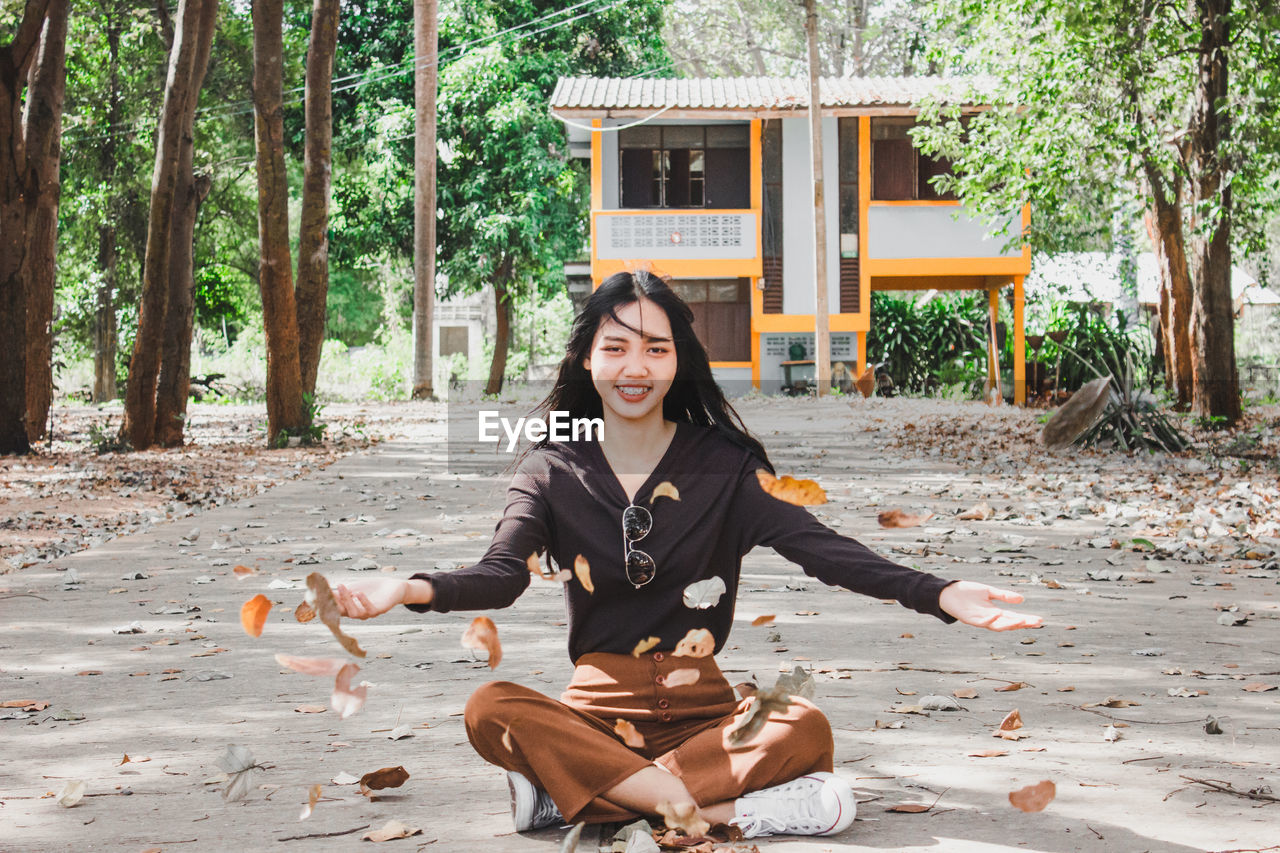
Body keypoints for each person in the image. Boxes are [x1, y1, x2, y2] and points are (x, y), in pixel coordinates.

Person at [332, 270, 1042, 840]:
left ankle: (585, 797)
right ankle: (696, 806)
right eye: (615, 347)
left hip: (705, 714)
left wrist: (938, 591)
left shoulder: (725, 465)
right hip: (594, 717)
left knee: (804, 725)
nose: (634, 366)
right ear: (587, 357)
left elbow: (820, 547)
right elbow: (499, 575)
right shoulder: (550, 467)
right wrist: (407, 586)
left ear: (679, 360)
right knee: (490, 706)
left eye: (655, 348)